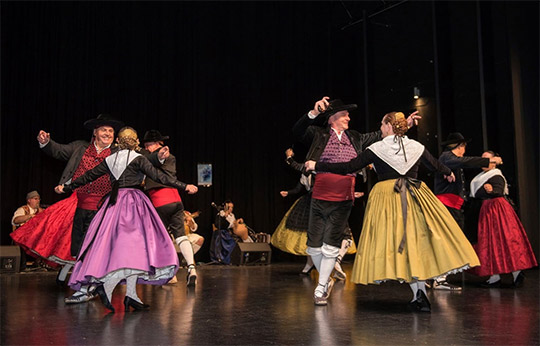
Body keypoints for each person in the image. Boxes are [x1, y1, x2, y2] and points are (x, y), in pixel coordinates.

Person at [306, 111, 480, 312]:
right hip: (416, 198)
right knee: (416, 245)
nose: (380, 128)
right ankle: (419, 294)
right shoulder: (416, 146)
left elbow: (348, 167)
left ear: (389, 126)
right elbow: (435, 165)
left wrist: (317, 165)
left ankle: (417, 292)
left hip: (388, 200)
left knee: (396, 246)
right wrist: (448, 172)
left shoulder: (378, 149)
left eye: (382, 124)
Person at [292, 97, 420, 305]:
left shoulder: (356, 137)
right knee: (313, 247)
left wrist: (405, 124)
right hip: (320, 193)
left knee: (331, 243)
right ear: (333, 118)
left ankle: (322, 286)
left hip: (344, 196)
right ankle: (327, 279)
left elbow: (383, 133)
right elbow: (297, 132)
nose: (349, 118)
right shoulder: (319, 134)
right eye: (345, 115)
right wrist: (313, 113)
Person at [55, 127, 184, 313]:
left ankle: (131, 295)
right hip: (132, 204)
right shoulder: (137, 158)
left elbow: (87, 176)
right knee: (132, 250)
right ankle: (107, 287)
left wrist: (67, 187)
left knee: (123, 250)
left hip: (114, 204)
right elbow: (159, 176)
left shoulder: (111, 158)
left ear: (118, 141)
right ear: (136, 141)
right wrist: (183, 185)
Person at [272, 148, 357, 279]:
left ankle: (333, 262)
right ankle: (311, 265)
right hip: (315, 202)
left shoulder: (323, 169)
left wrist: (289, 157)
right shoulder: (309, 173)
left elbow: (297, 166)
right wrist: (288, 192)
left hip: (324, 201)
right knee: (311, 235)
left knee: (331, 233)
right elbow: (298, 187)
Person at [432, 132, 502, 290]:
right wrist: (488, 160)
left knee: (452, 241)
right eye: (464, 146)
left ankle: (439, 276)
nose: (465, 150)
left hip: (454, 206)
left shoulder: (453, 161)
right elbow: (466, 161)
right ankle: (439, 278)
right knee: (448, 241)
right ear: (460, 146)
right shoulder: (446, 157)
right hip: (446, 206)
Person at [469, 151, 537, 287]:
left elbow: (498, 190)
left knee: (505, 241)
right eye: (481, 159)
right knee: (490, 243)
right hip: (487, 210)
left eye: (486, 159)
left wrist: (491, 190)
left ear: (493, 161)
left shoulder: (495, 175)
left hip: (497, 210)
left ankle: (516, 273)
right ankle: (495, 276)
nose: (483, 162)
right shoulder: (481, 176)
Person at [142, 130, 199, 286]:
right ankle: (192, 268)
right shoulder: (171, 158)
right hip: (176, 200)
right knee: (181, 236)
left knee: (160, 238)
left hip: (160, 201)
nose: (146, 148)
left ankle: (169, 273)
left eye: (148, 145)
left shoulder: (146, 158)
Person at [11, 191, 45, 270]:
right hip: (24, 236)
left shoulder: (41, 211)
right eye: (35, 199)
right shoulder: (23, 209)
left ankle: (39, 263)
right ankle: (22, 265)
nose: (38, 201)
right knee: (22, 239)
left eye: (39, 199)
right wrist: (30, 216)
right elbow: (16, 220)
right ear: (29, 200)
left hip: (36, 235)